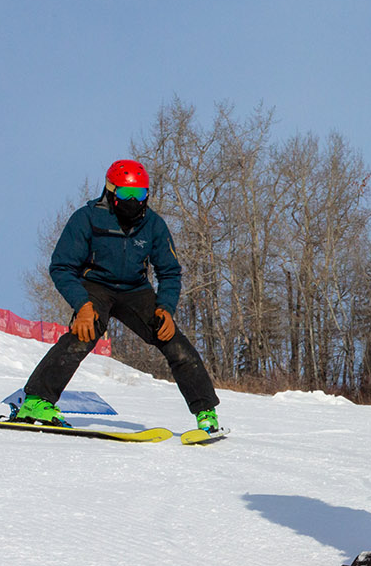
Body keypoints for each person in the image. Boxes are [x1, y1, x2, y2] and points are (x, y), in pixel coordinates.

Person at [13, 160, 220, 434]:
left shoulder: (153, 225)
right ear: (110, 192)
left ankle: (206, 413)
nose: (133, 201)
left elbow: (169, 271)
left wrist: (166, 308)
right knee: (84, 333)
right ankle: (37, 402)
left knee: (173, 341)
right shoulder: (86, 218)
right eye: (125, 194)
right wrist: (82, 304)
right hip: (95, 286)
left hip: (135, 290)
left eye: (140, 194)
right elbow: (62, 266)